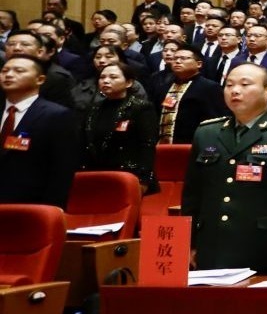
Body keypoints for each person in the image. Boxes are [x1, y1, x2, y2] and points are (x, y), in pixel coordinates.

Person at [180, 63, 267, 273]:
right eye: (229, 85)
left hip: (263, 244)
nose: (235, 90)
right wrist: (189, 242)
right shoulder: (206, 132)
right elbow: (192, 194)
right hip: (211, 243)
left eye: (245, 84)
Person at [0, 55, 81, 207]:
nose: (9, 75)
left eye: (19, 71)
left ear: (40, 79)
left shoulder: (56, 115)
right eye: (4, 71)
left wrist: (52, 209)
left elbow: (62, 168)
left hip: (31, 205)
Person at [80, 59, 158, 193]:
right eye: (102, 77)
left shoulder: (140, 107)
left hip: (128, 174)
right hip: (96, 173)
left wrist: (144, 178)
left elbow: (147, 144)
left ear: (128, 83)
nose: (106, 81)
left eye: (113, 77)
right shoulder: (93, 108)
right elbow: (84, 141)